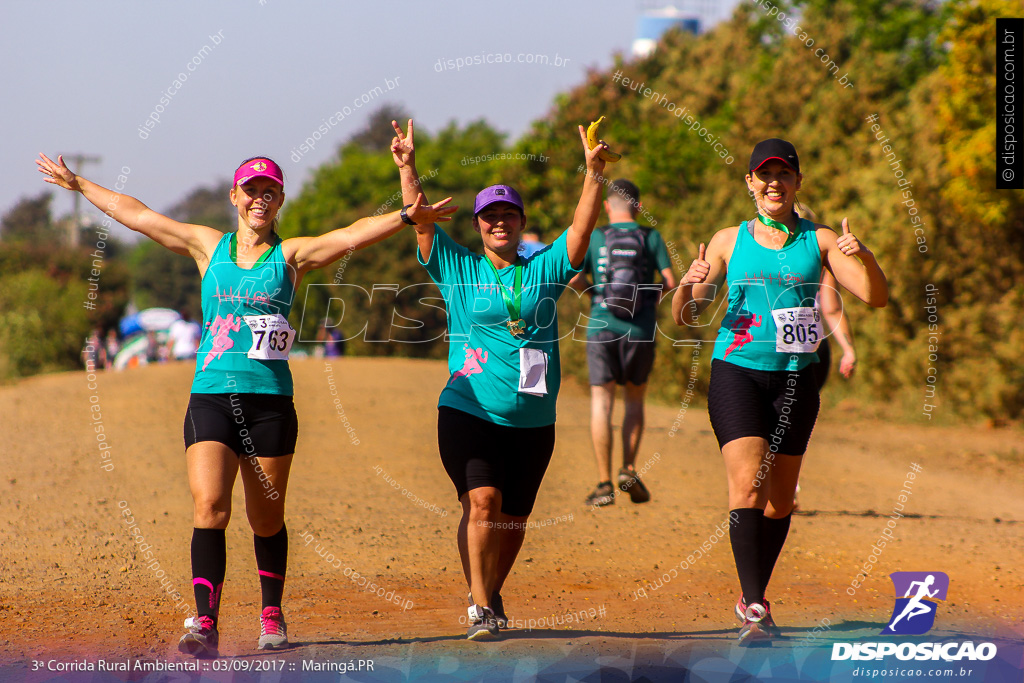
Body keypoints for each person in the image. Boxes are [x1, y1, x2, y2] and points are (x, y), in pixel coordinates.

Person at [37, 151, 454, 656]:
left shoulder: (292, 255)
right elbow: (141, 216)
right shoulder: (207, 245)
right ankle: (205, 622)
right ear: (234, 196)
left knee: (266, 520)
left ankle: (271, 611)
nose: (260, 198)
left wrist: (407, 216)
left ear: (280, 200)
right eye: (251, 189)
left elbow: (349, 236)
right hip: (211, 395)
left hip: (270, 402)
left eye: (270, 191)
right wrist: (80, 183)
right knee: (210, 507)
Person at [390, 119, 608, 640]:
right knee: (482, 502)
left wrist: (593, 174)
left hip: (534, 418)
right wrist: (407, 168)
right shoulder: (457, 267)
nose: (499, 223)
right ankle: (481, 605)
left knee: (513, 520)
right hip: (470, 410)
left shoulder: (546, 270)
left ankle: (489, 586)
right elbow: (421, 221)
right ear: (478, 225)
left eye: (508, 214)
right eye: (490, 217)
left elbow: (580, 229)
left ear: (521, 221)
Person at [671, 138, 888, 645]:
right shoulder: (728, 239)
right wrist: (688, 282)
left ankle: (755, 596)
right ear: (750, 182)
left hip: (796, 379)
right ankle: (752, 606)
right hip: (737, 371)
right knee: (747, 486)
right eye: (763, 174)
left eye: (783, 173)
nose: (774, 182)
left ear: (797, 182)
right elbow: (686, 315)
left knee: (780, 500)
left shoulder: (822, 240)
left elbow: (874, 297)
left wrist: (867, 255)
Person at [570, 179, 676, 507]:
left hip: (601, 326)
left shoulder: (596, 236)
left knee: (601, 403)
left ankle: (603, 484)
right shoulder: (651, 236)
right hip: (640, 330)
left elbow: (574, 276)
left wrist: (595, 296)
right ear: (638, 207)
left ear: (607, 206)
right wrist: (649, 303)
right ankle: (627, 469)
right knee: (634, 400)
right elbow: (671, 281)